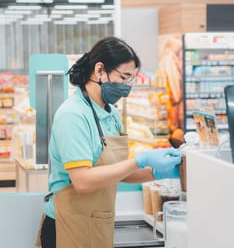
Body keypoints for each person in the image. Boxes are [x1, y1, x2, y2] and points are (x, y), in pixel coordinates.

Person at [39, 36, 182, 248]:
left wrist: (159, 171)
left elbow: (117, 171)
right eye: (124, 77)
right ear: (99, 71)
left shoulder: (111, 113)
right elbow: (83, 181)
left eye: (130, 79)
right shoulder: (73, 115)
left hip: (97, 223)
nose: (126, 86)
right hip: (67, 225)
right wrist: (139, 160)